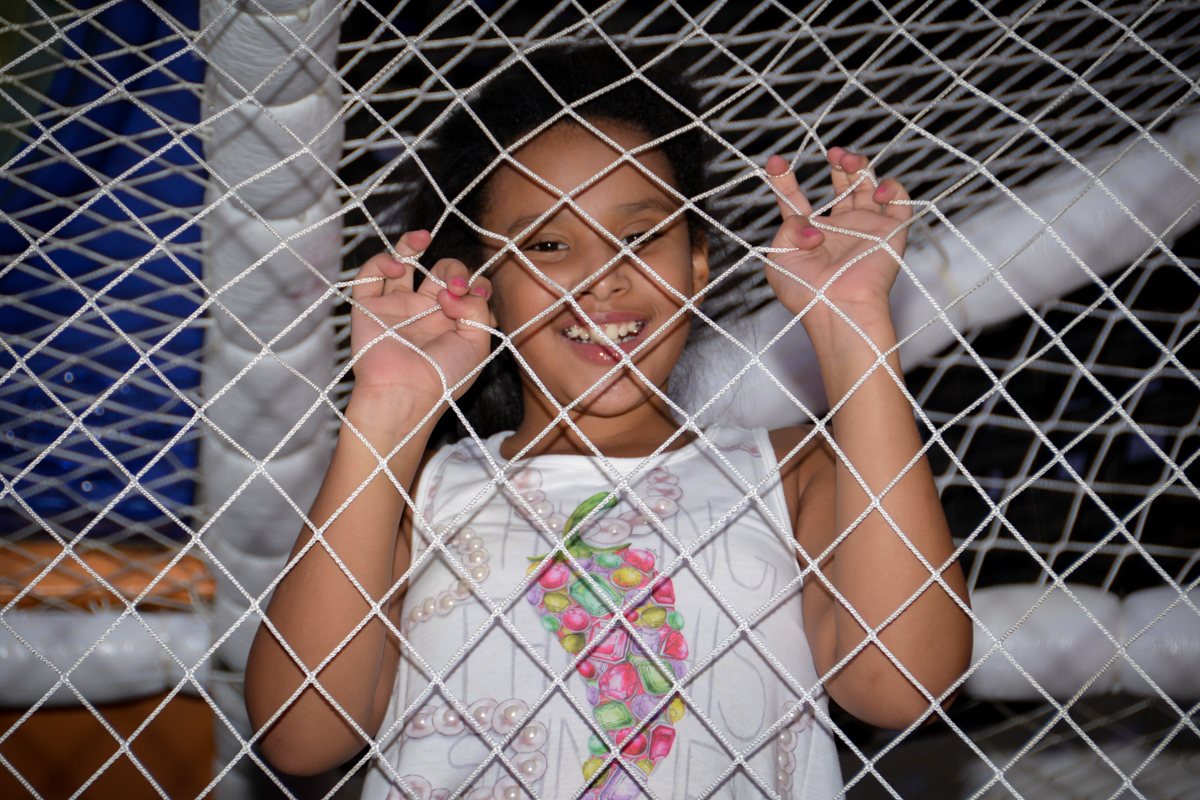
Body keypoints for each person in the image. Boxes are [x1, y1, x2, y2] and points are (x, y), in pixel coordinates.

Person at [244, 43, 972, 800]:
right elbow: (301, 735)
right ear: (482, 282)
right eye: (549, 245)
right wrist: (388, 407)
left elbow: (906, 688)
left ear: (698, 260)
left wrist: (853, 326)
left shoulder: (793, 474)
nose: (601, 276)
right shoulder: (416, 496)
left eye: (640, 235)